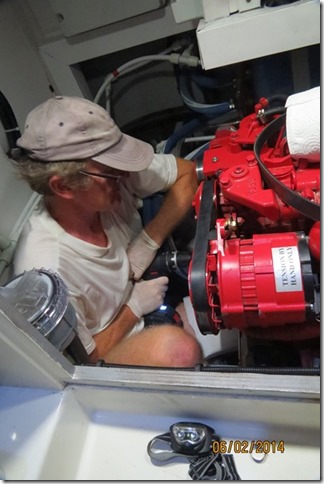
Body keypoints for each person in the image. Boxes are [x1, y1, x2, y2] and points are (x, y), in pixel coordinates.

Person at [12, 95, 202, 367]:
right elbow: (84, 361)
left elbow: (188, 174)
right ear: (64, 187)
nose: (125, 174)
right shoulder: (50, 271)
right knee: (178, 351)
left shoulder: (108, 176)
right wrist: (133, 308)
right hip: (115, 346)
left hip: (155, 301)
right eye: (112, 172)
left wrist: (149, 240)